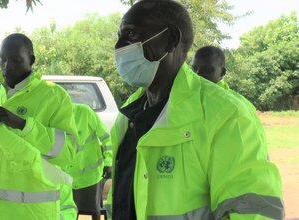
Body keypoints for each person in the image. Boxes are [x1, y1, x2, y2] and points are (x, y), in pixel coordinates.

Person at [110, 0, 284, 219]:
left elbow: (254, 212)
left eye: (131, 35)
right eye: (119, 37)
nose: (119, 46)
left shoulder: (227, 115)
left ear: (171, 40)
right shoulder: (126, 117)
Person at [0, 33, 78, 219]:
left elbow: (67, 153)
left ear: (31, 59)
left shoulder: (54, 96)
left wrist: (22, 124)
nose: (7, 67)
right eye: (3, 60)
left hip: (28, 212)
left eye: (15, 60)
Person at [192, 45, 267, 147]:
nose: (198, 75)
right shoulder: (186, 98)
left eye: (207, 70)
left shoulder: (234, 106)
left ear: (222, 72)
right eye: (194, 69)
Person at [66, 103, 112, 220]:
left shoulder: (84, 112)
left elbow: (106, 137)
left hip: (89, 176)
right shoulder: (52, 118)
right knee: (69, 211)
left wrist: (108, 161)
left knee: (93, 210)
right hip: (66, 177)